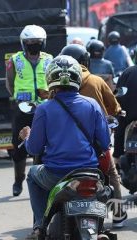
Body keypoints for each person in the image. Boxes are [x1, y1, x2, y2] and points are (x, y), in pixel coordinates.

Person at [19, 55, 110, 239]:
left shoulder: (44, 109)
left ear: (51, 79)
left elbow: (34, 149)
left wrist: (27, 137)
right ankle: (99, 230)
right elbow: (106, 142)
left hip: (56, 175)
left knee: (32, 175)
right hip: (89, 172)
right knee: (107, 190)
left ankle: (39, 226)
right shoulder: (92, 105)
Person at [60, 44, 127, 228]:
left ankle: (40, 221)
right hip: (96, 144)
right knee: (112, 174)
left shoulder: (57, 85)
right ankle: (119, 215)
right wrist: (118, 111)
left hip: (65, 146)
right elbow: (114, 107)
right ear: (85, 61)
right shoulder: (96, 80)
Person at [6, 25, 53, 196]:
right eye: (30, 42)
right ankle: (18, 180)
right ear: (23, 43)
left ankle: (39, 179)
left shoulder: (49, 59)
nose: (34, 45)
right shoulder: (15, 60)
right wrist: (19, 98)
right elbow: (10, 83)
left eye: (37, 42)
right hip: (22, 109)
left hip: (44, 108)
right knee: (18, 147)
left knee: (43, 145)